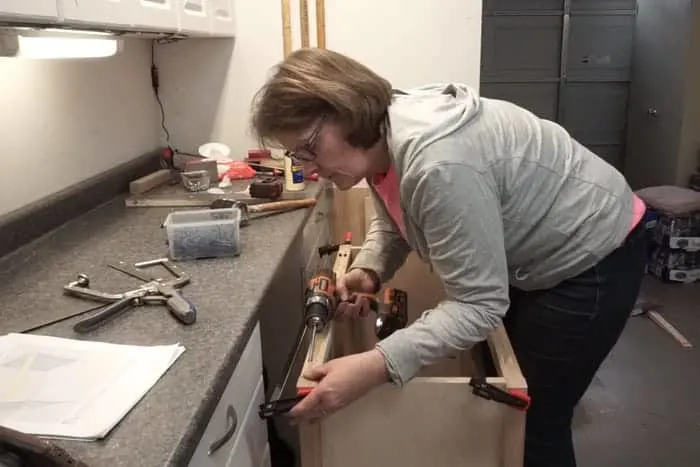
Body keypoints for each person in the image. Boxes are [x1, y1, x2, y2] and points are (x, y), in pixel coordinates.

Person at [250, 47, 648, 467]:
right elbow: (397, 214)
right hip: (538, 252)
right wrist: (368, 270)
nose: (308, 169)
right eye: (297, 155)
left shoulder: (440, 163)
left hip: (592, 253)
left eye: (309, 148)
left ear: (348, 111)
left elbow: (480, 305)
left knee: (532, 422)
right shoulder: (384, 141)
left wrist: (375, 365)